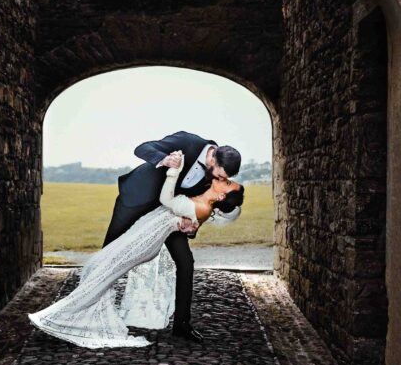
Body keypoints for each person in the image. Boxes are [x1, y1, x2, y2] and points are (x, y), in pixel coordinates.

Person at [28, 150, 243, 348]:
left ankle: (62, 314)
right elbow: (189, 215)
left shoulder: (205, 205)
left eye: (229, 182)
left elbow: (168, 200)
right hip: (146, 226)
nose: (225, 180)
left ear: (222, 196)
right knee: (106, 265)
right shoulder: (205, 183)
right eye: (227, 177)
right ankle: (75, 309)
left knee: (111, 267)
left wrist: (174, 172)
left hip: (148, 236)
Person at [104, 131, 241, 341]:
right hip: (137, 200)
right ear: (212, 158)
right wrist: (164, 159)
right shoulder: (187, 141)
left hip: (168, 215)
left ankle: (182, 325)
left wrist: (193, 226)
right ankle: (94, 307)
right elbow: (142, 147)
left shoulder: (214, 177)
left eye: (224, 178)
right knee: (108, 255)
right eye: (220, 174)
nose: (219, 180)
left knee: (186, 262)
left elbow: (201, 205)